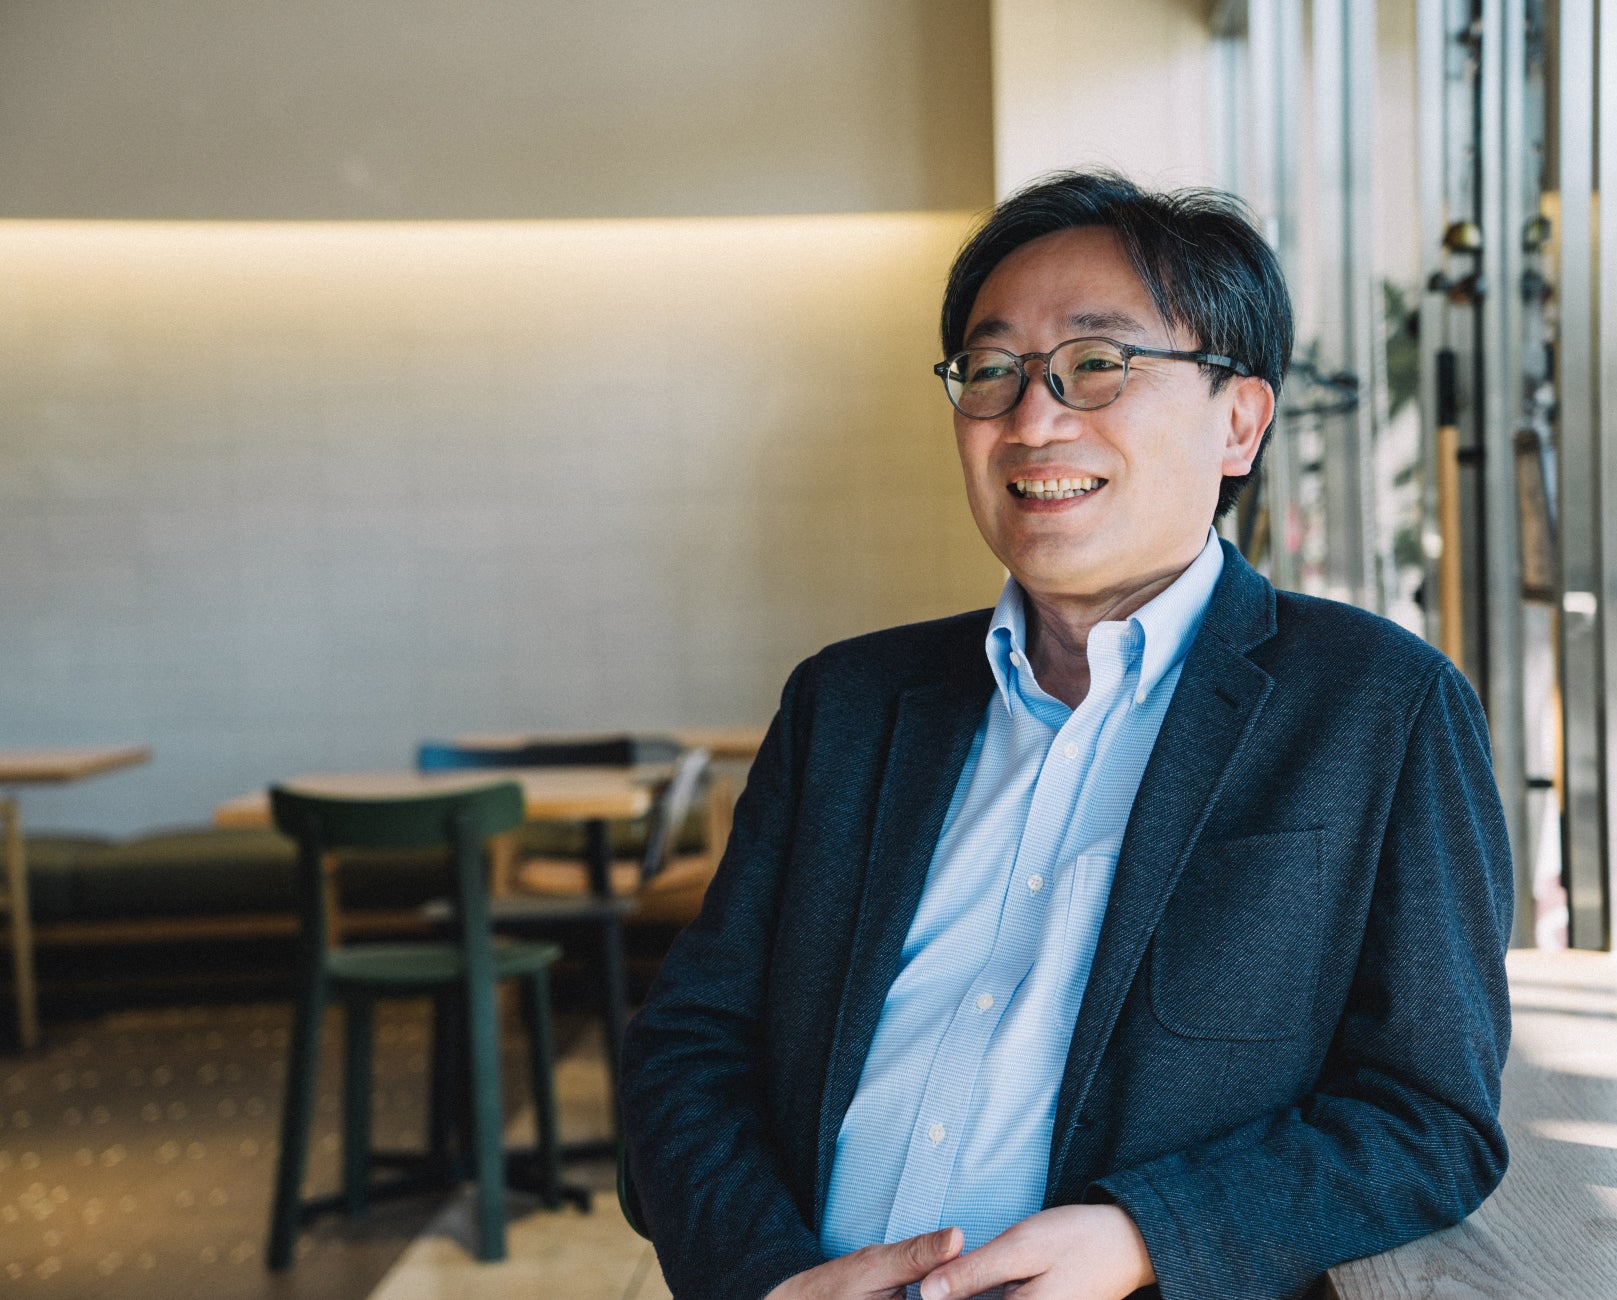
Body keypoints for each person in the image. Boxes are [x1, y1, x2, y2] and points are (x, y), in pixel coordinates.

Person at [621, 170, 1513, 1300]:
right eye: (991, 371)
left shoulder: (1379, 708)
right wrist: (766, 1278)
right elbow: (688, 1049)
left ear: (1239, 421)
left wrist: (1143, 1237)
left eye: (1097, 365)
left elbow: (1429, 1117)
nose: (1032, 420)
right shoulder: (846, 704)